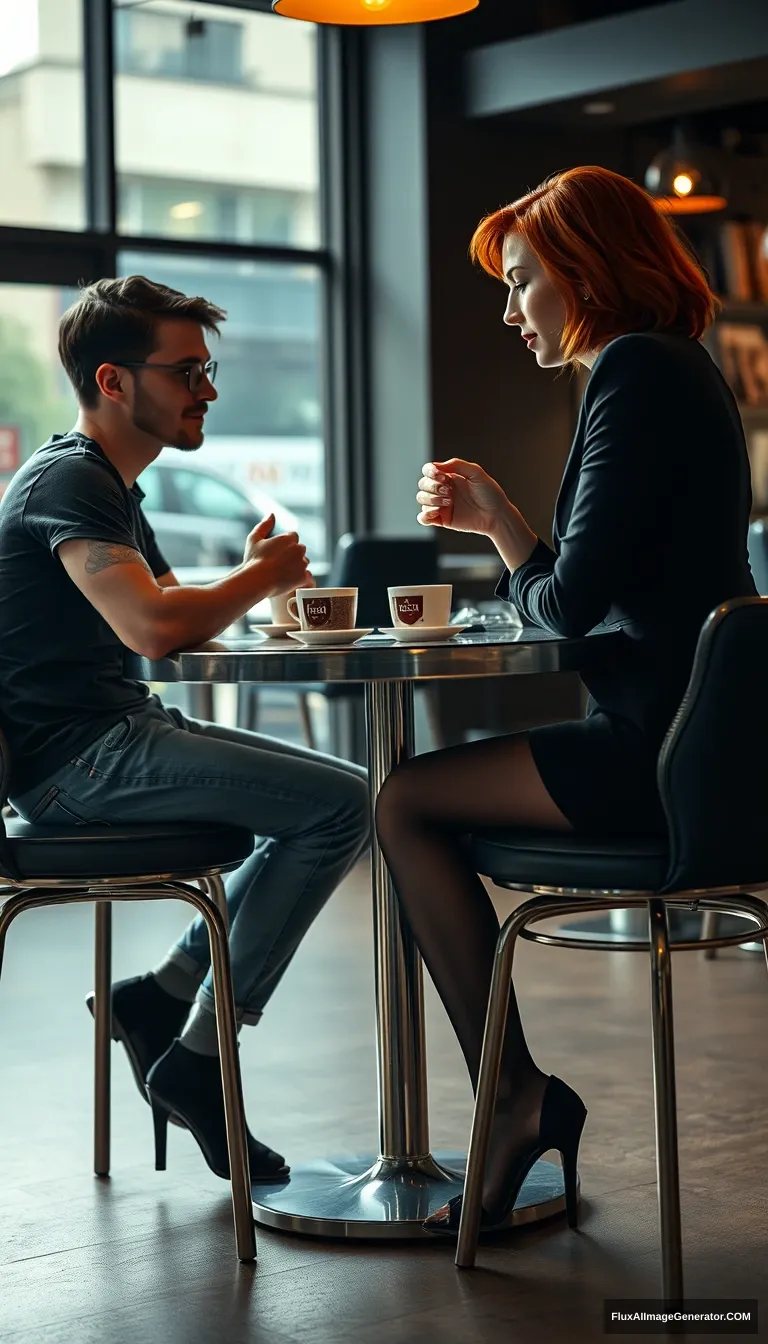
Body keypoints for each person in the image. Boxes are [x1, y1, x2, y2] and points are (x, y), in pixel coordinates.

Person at [374, 165, 757, 1235]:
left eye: (524, 283)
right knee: (410, 795)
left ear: (586, 273)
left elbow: (570, 608)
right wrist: (515, 531)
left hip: (656, 752)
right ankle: (514, 1099)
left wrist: (501, 527)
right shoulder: (674, 369)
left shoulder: (633, 372)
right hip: (704, 749)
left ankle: (511, 1101)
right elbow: (590, 594)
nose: (509, 312)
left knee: (403, 801)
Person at [0, 276, 370, 1182]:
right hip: (76, 765)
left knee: (327, 801)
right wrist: (261, 576)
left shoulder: (106, 484)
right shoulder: (71, 481)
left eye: (208, 369)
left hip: (114, 736)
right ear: (114, 381)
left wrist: (247, 581)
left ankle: (161, 999)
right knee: (340, 807)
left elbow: (166, 616)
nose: (207, 389)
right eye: (188, 370)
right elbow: (155, 630)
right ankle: (198, 1057)